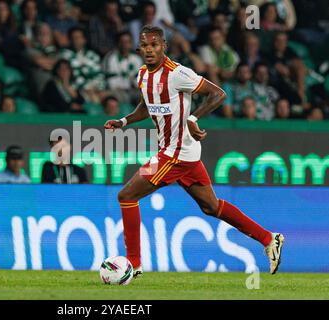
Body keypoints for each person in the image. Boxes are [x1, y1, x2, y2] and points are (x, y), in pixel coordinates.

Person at [103, 25, 284, 278]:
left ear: (163, 45)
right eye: (145, 46)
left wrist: (194, 118)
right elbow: (147, 107)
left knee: (127, 196)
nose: (149, 50)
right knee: (211, 206)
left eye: (154, 45)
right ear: (139, 48)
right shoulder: (143, 75)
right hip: (183, 153)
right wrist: (123, 122)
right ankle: (269, 239)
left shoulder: (178, 74)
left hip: (174, 154)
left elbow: (218, 94)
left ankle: (133, 263)